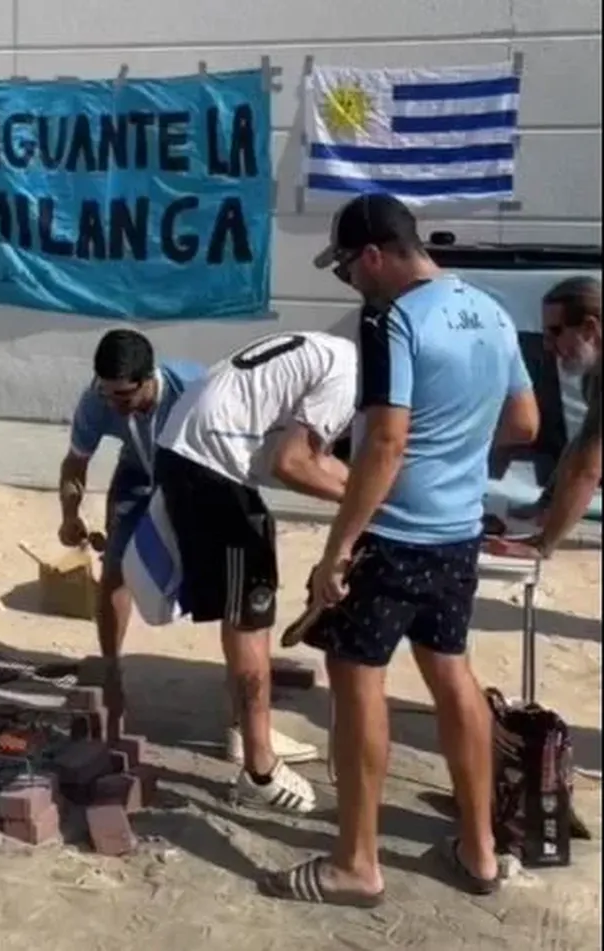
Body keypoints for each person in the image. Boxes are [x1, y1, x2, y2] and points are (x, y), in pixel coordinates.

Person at [263, 194, 539, 906]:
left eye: (347, 267)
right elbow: (525, 421)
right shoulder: (492, 311)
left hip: (396, 535)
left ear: (376, 254)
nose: (349, 282)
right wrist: (458, 455)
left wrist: (339, 549)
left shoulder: (391, 320)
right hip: (457, 533)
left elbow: (384, 443)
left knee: (357, 684)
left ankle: (356, 862)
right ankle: (479, 852)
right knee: (453, 675)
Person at [154, 329, 359, 814]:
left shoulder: (335, 352)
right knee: (252, 608)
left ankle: (247, 733)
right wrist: (367, 502)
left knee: (244, 604)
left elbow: (321, 457)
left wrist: (367, 487)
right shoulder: (350, 378)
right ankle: (260, 769)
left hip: (195, 452)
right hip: (208, 466)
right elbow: (292, 464)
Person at [57, 329, 206, 737]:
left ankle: (241, 720)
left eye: (123, 397)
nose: (114, 406)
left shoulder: (194, 389)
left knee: (217, 581)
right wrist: (69, 513)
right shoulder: (98, 398)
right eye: (107, 395)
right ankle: (111, 673)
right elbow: (75, 463)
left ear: (148, 378)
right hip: (138, 473)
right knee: (115, 572)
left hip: (194, 474)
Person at [502, 277, 601, 556]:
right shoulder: (594, 372)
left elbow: (587, 469)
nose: (548, 345)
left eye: (556, 332)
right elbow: (581, 445)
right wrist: (546, 502)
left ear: (589, 328)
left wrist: (542, 545)